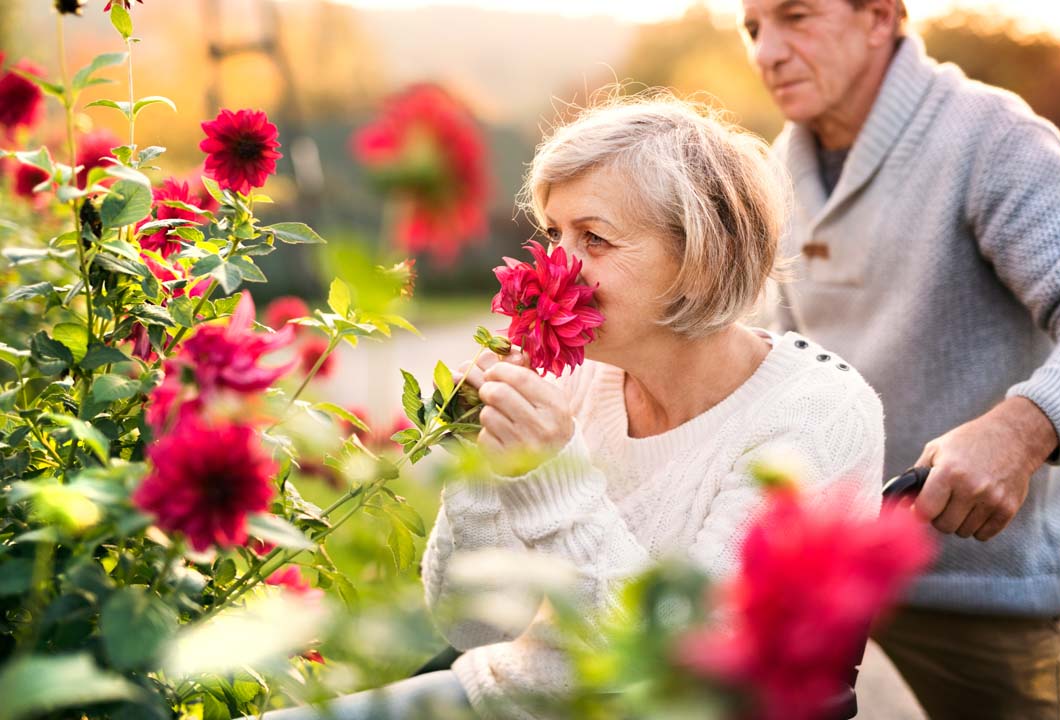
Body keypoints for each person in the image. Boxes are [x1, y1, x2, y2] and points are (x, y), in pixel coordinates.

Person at [254, 95, 886, 720]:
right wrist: (480, 464)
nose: (556, 267)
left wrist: (550, 475)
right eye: (553, 233)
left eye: (596, 240)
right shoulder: (577, 378)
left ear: (700, 258)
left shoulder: (815, 418)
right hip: (502, 697)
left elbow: (671, 671)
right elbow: (472, 625)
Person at [738, 0, 1060, 716]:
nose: (766, 50)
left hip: (977, 580)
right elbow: (787, 367)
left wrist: (1020, 429)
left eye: (795, 16)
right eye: (753, 28)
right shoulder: (776, 167)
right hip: (828, 570)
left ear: (880, 17)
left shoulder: (991, 138)